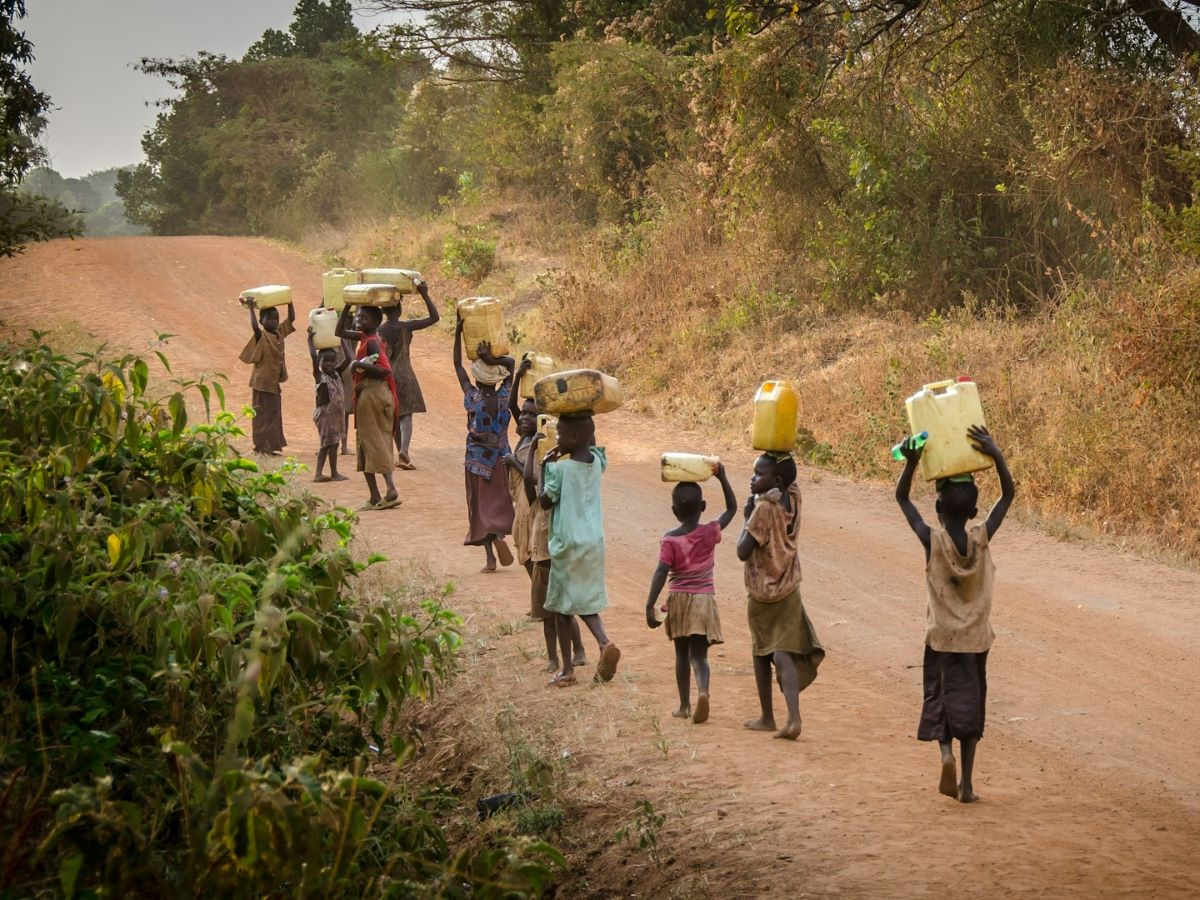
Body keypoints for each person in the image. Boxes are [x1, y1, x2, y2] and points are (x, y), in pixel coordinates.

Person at [895, 425, 1015, 803]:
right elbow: (1008, 495)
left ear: (937, 508)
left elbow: (902, 500)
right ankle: (967, 785)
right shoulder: (981, 538)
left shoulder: (932, 541)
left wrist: (911, 463)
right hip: (976, 641)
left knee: (941, 698)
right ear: (974, 511)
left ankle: (944, 753)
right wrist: (995, 453)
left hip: (942, 638)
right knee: (971, 706)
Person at [736, 453, 825, 740]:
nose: (752, 478)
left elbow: (742, 551)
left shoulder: (763, 510)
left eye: (758, 473)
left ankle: (767, 716)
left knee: (762, 653)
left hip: (762, 592)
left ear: (775, 480)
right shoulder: (794, 499)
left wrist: (746, 515)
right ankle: (794, 718)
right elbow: (792, 480)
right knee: (782, 653)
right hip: (789, 587)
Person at [505, 377, 587, 672]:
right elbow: (511, 406)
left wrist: (514, 463)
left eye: (531, 414)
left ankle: (574, 650)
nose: (524, 418)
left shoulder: (543, 448)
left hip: (542, 524)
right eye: (523, 414)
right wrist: (519, 375)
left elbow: (536, 485)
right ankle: (566, 653)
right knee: (547, 598)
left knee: (553, 599)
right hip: (526, 520)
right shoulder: (525, 440)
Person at [645, 464, 737, 724]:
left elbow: (661, 572)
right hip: (704, 599)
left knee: (681, 654)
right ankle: (704, 691)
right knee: (700, 656)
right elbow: (732, 509)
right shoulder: (710, 532)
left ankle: (685, 705)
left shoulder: (670, 539)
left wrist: (650, 604)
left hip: (679, 600)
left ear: (674, 511)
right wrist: (723, 478)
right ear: (704, 506)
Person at [538, 412, 620, 687]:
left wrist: (544, 466)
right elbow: (592, 443)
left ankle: (567, 669)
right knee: (581, 598)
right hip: (593, 540)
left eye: (560, 434)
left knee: (562, 608)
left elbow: (545, 501)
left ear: (573, 438)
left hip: (567, 542)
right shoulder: (597, 463)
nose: (557, 438)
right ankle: (603, 642)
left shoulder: (560, 470)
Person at [452, 318, 516, 572]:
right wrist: (493, 359)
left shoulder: (472, 397)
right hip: (501, 457)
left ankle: (490, 557)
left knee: (479, 506)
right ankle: (499, 534)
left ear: (477, 380)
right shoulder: (505, 396)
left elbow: (457, 365)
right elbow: (511, 363)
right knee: (499, 502)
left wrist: (457, 333)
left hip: (477, 460)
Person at [335, 305, 400, 510]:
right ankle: (375, 495)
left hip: (373, 394)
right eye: (358, 316)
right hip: (371, 395)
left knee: (373, 441)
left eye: (363, 317)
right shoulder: (366, 337)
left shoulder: (371, 341)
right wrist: (346, 307)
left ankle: (390, 490)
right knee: (369, 441)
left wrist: (358, 366)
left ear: (374, 322)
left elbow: (384, 370)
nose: (358, 320)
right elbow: (339, 332)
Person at [378, 279, 440, 470]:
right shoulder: (406, 327)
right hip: (406, 375)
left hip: (387, 376)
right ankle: (404, 450)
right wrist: (424, 294)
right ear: (399, 310)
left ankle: (401, 454)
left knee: (395, 416)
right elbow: (434, 318)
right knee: (406, 416)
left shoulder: (379, 329)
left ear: (384, 311)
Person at [238, 301, 295, 455]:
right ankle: (260, 447)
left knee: (273, 414)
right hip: (261, 384)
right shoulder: (261, 336)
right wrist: (251, 308)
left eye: (276, 318)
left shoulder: (279, 333)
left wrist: (289, 302)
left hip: (273, 383)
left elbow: (291, 319)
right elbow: (255, 327)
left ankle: (270, 447)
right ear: (262, 321)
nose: (274, 321)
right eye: (269, 319)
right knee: (262, 415)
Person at [306, 328, 350, 483]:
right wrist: (310, 341)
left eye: (332, 361)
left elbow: (348, 359)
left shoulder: (337, 372)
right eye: (326, 361)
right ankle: (318, 473)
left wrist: (343, 341)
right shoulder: (320, 376)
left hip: (336, 416)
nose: (330, 364)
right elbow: (313, 357)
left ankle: (334, 472)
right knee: (326, 444)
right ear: (320, 362)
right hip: (325, 416)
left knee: (334, 444)